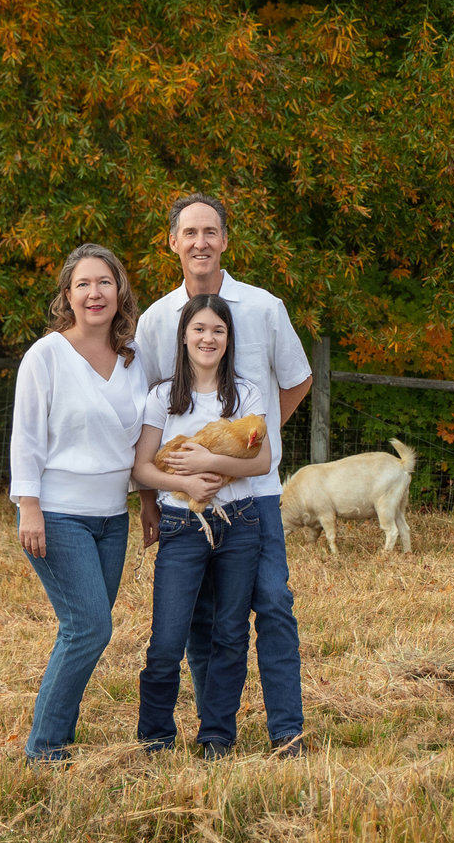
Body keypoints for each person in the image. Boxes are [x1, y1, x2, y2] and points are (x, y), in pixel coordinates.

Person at [136, 193, 312, 756]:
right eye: (189, 233)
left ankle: (287, 731)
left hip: (253, 495)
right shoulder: (155, 320)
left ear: (225, 241)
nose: (200, 243)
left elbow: (298, 380)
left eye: (211, 232)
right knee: (201, 617)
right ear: (173, 243)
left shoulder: (263, 307)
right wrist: (154, 495)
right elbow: (154, 411)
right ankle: (217, 732)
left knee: (272, 603)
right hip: (186, 503)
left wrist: (246, 443)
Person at [9, 243, 153, 763]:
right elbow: (26, 435)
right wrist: (29, 506)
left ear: (120, 293)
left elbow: (142, 441)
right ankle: (44, 750)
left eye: (105, 283)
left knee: (85, 631)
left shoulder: (134, 361)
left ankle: (58, 738)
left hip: (113, 518)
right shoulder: (46, 355)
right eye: (83, 284)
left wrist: (148, 502)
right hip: (58, 514)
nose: (95, 293)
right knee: (89, 627)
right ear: (67, 296)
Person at [134, 294, 271, 759]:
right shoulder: (164, 396)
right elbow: (142, 469)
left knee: (231, 635)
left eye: (218, 330)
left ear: (228, 340)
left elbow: (265, 460)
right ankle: (155, 736)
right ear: (184, 336)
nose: (208, 338)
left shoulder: (246, 394)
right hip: (182, 525)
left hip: (240, 524)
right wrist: (186, 481)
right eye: (199, 330)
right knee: (168, 637)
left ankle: (217, 735)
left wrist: (211, 461)